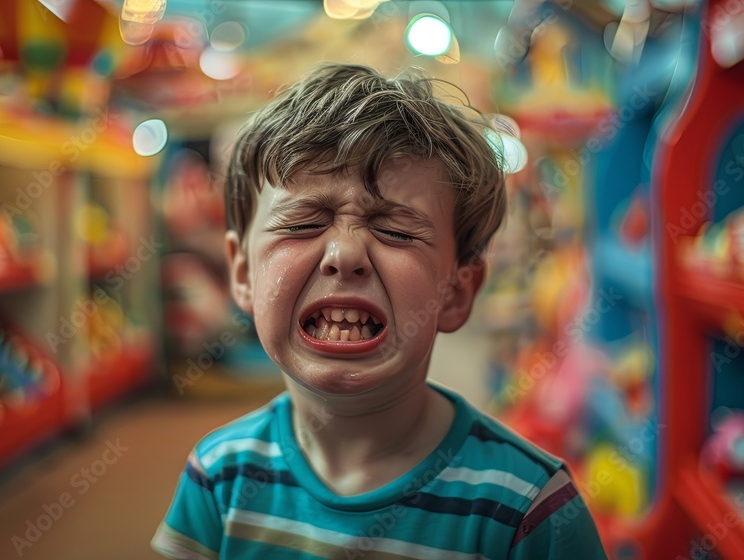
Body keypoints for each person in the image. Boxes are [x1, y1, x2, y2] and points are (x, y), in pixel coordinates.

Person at [152, 62, 607, 559]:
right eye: (303, 222)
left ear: (456, 291)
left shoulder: (529, 509)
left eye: (396, 231)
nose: (344, 254)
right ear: (242, 273)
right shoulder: (218, 477)